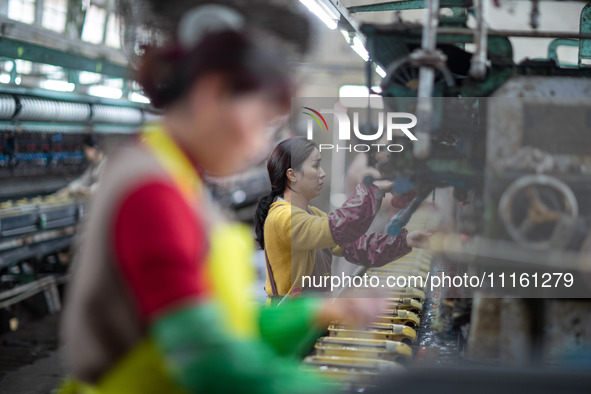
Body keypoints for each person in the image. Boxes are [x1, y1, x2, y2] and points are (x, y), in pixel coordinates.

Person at [60, 3, 382, 394]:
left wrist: (318, 312)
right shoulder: (151, 191)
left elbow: (222, 322)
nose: (264, 143)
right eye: (264, 122)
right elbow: (208, 359)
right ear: (213, 94)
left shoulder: (177, 181)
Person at [254, 137, 431, 298]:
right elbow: (342, 227)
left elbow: (359, 247)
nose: (322, 173)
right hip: (291, 326)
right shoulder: (282, 218)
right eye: (315, 166)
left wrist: (406, 240)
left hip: (313, 320)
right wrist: (373, 188)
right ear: (292, 175)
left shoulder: (311, 215)